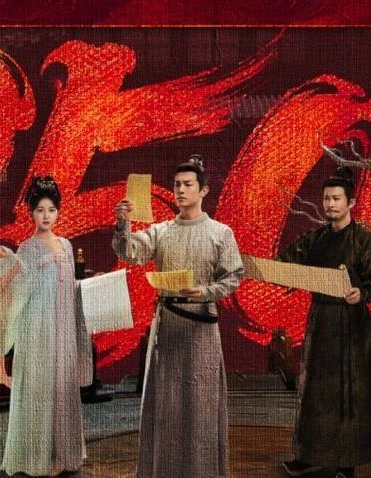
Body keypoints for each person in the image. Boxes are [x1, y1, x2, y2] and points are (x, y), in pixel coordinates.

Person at [112, 155, 244, 478]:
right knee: (167, 405)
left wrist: (205, 292)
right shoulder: (162, 232)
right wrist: (123, 224)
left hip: (201, 327)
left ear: (204, 190)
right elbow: (130, 252)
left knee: (200, 404)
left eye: (188, 185)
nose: (181, 191)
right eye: (177, 185)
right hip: (168, 326)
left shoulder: (220, 233)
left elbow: (234, 276)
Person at [0, 176, 94, 476]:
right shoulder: (26, 248)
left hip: (63, 329)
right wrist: (5, 260)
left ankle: (62, 455)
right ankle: (38, 458)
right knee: (39, 390)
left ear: (58, 211)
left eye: (51, 210)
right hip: (36, 331)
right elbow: (15, 286)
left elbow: (71, 287)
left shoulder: (66, 245)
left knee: (61, 389)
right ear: (31, 213)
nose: (46, 216)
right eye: (40, 210)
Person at [276, 167, 371, 478]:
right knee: (315, 390)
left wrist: (361, 293)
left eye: (337, 198)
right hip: (322, 322)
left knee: (348, 392)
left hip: (352, 326)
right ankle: (308, 456)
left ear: (351, 202)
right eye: (326, 198)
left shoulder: (364, 240)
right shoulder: (316, 238)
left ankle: (346, 464)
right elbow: (286, 262)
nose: (330, 204)